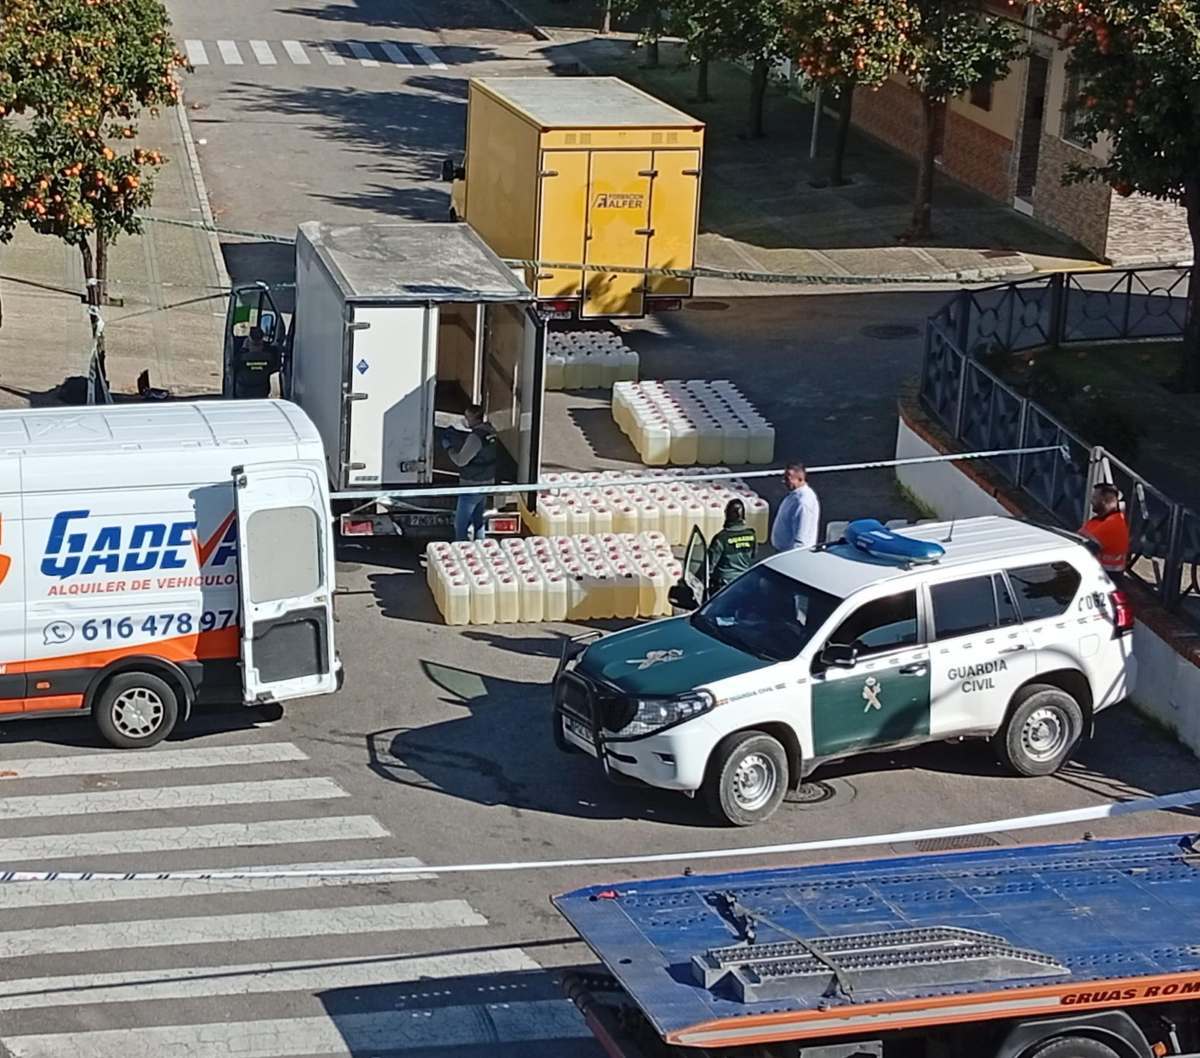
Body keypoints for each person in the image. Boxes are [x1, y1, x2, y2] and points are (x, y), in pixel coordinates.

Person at [444, 404, 498, 541]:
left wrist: (449, 448)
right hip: (487, 481)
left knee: (460, 524)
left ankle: (461, 549)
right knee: (478, 521)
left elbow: (461, 460)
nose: (465, 420)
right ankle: (481, 547)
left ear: (473, 418)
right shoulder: (490, 431)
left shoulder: (475, 438)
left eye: (467, 417)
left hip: (472, 484)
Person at [708, 499, 758, 593]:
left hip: (723, 584)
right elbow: (753, 555)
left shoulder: (721, 538)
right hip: (742, 581)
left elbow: (710, 565)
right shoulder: (751, 535)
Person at [1080, 483, 1129, 576]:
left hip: (1106, 576)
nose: (1091, 501)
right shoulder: (1100, 520)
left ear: (1104, 501)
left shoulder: (1111, 524)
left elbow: (1081, 551)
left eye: (1094, 498)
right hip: (1099, 572)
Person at [771, 463, 821, 551]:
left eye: (787, 479)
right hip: (783, 552)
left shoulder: (803, 503)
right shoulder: (795, 496)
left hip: (789, 555)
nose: (783, 481)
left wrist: (792, 557)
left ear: (800, 479)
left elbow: (801, 538)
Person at [233, 326, 281, 399]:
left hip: (243, 393)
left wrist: (243, 348)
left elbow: (233, 366)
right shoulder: (269, 358)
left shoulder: (241, 358)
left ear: (248, 342)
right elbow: (275, 367)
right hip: (262, 392)